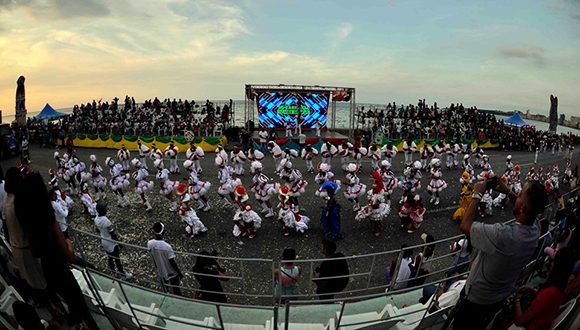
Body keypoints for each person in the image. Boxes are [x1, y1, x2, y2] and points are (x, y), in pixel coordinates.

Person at [452, 179, 548, 330]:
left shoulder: (503, 235)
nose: (517, 195)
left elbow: (465, 226)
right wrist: (508, 191)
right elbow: (525, 208)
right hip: (499, 295)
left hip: (476, 299)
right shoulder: (535, 227)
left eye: (520, 194)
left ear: (522, 207)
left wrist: (477, 194)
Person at [15, 172, 98, 329]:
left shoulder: (29, 222)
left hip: (47, 270)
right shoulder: (48, 219)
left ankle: (77, 324)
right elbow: (69, 256)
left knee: (69, 303)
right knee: (81, 307)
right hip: (61, 269)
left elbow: (35, 252)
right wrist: (69, 244)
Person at [94, 203, 132, 279]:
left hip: (103, 240)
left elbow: (97, 230)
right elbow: (113, 234)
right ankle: (123, 274)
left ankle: (113, 272)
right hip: (111, 242)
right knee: (117, 259)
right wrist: (119, 243)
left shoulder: (96, 219)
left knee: (110, 258)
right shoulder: (107, 221)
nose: (106, 209)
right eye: (105, 208)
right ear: (102, 210)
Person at [147, 222, 183, 296]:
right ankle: (178, 296)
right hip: (171, 271)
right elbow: (172, 261)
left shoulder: (150, 243)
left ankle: (166, 293)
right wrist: (179, 272)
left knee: (164, 283)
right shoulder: (167, 246)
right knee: (175, 286)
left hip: (160, 269)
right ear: (163, 232)